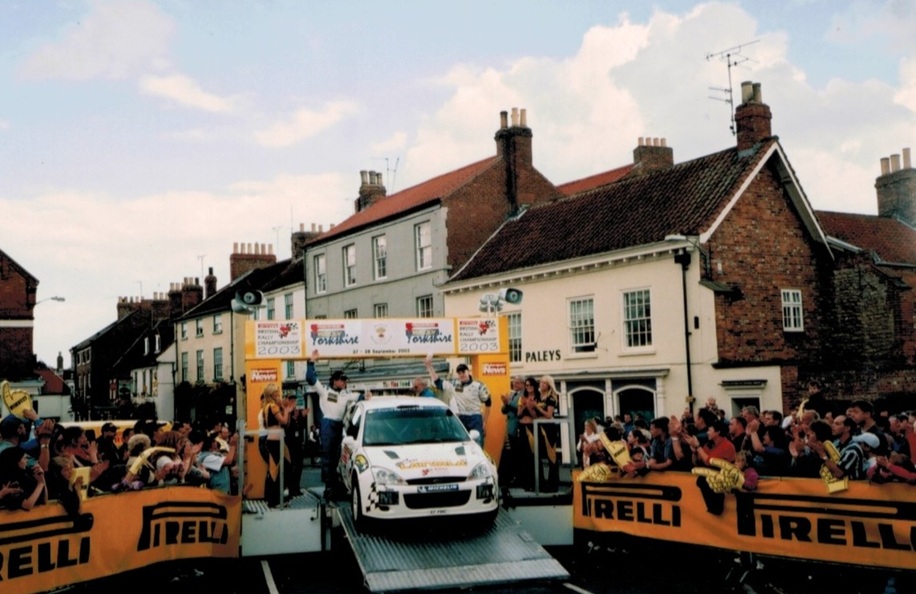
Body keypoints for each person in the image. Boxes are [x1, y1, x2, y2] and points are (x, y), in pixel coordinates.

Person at [305, 350, 363, 500]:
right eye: (342, 380)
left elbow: (360, 396)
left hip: (339, 427)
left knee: (339, 457)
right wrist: (311, 362)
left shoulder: (345, 394)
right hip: (327, 425)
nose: (344, 383)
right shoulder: (324, 391)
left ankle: (338, 486)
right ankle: (329, 488)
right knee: (328, 457)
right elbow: (310, 378)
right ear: (334, 381)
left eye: (345, 380)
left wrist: (367, 396)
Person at [426, 360, 491, 446]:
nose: (461, 375)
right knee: (461, 444)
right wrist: (429, 367)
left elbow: (488, 403)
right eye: (459, 373)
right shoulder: (455, 385)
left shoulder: (478, 385)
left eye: (463, 372)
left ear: (468, 371)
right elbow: (438, 382)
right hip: (462, 417)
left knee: (477, 444)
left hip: (475, 418)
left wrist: (485, 422)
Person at [259, 383, 294, 507]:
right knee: (276, 471)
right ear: (271, 394)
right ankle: (274, 500)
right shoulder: (272, 406)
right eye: (275, 392)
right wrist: (286, 411)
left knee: (285, 467)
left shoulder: (268, 407)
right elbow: (284, 421)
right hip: (274, 442)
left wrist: (285, 410)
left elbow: (285, 424)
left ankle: (277, 497)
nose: (278, 394)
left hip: (277, 441)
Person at [0, 446, 46, 511]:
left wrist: (42, 479)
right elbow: (27, 505)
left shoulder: (25, 476)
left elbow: (44, 500)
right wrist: (40, 484)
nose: (27, 461)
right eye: (24, 458)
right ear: (17, 462)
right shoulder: (9, 482)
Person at [499, 376, 525, 486]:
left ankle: (518, 477)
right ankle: (511, 476)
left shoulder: (523, 395)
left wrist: (508, 404)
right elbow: (504, 410)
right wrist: (505, 403)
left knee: (516, 453)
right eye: (514, 382)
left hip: (517, 426)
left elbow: (518, 411)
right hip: (509, 426)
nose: (515, 384)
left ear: (523, 384)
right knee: (510, 452)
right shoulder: (513, 394)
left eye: (517, 382)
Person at [284, 392, 309, 497]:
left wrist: (302, 416)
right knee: (290, 467)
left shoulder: (298, 413)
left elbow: (302, 426)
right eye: (291, 401)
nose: (293, 403)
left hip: (298, 442)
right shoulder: (287, 412)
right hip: (290, 442)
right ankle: (291, 489)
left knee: (299, 466)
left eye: (294, 401)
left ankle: (296, 488)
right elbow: (286, 426)